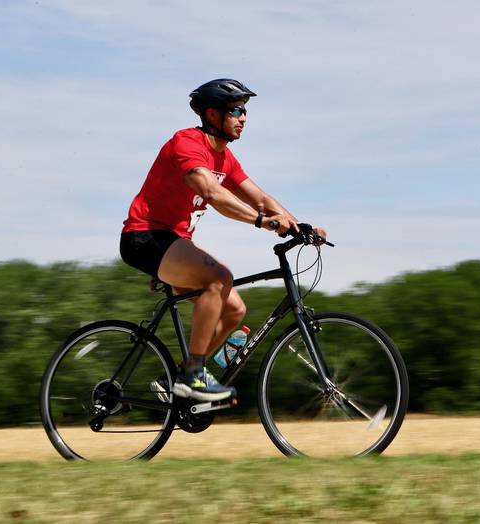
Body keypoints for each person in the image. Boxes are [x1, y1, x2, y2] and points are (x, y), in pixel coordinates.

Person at [119, 78, 326, 402]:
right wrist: (260, 221)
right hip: (145, 236)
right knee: (220, 278)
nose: (244, 117)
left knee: (233, 310)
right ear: (213, 115)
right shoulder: (186, 143)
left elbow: (260, 196)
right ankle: (193, 377)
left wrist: (299, 227)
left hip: (174, 242)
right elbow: (212, 193)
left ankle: (178, 377)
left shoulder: (225, 159)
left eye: (245, 111)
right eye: (236, 110)